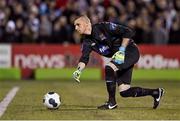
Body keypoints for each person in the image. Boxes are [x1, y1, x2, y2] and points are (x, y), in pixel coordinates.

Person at [72, 15, 164, 110]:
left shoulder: (104, 27)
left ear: (87, 23)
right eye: (75, 26)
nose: (76, 28)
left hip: (129, 51)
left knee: (109, 67)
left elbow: (128, 31)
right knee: (124, 91)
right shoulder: (87, 42)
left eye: (78, 24)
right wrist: (78, 71)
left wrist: (122, 50)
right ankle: (156, 92)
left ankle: (112, 103)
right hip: (120, 57)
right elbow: (84, 58)